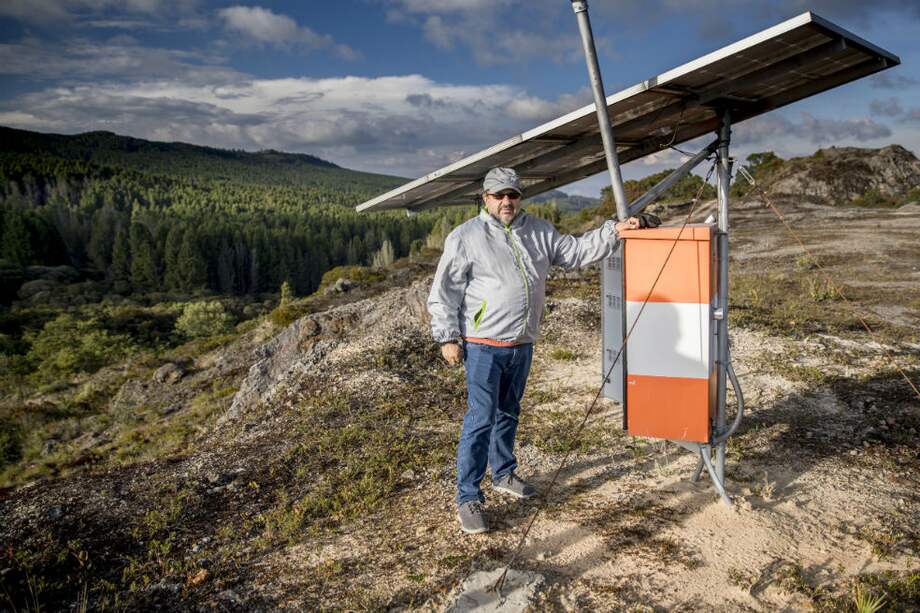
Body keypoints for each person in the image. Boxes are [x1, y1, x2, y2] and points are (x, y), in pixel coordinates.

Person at [427, 166, 658, 534]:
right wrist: (447, 337)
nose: (507, 201)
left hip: (522, 344)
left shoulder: (538, 231)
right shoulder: (466, 236)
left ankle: (503, 474)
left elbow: (577, 251)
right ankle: (468, 496)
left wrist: (615, 230)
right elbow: (445, 291)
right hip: (483, 345)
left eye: (513, 195)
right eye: (499, 195)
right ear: (485, 198)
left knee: (508, 412)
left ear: (520, 197)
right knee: (480, 418)